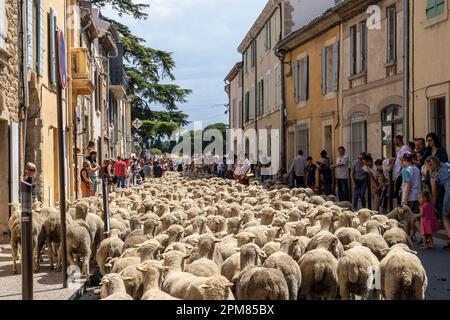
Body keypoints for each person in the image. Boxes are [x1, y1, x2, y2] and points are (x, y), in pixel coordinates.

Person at [425, 156, 450, 249]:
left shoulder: (434, 175)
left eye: (427, 166)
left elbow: (434, 194)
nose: (427, 168)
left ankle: (449, 237)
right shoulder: (447, 165)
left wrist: (431, 207)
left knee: (445, 215)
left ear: (431, 165)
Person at [401, 152, 422, 240]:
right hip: (417, 195)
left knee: (408, 218)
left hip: (410, 196)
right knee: (414, 218)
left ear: (404, 160)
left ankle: (406, 237)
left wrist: (405, 198)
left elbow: (409, 184)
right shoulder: (416, 169)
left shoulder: (405, 170)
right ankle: (414, 235)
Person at [391, 135, 410, 206]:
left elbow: (405, 159)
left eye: (395, 141)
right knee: (397, 191)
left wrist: (402, 170)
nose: (394, 142)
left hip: (401, 172)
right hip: (398, 173)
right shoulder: (400, 149)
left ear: (398, 140)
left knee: (400, 190)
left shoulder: (404, 148)